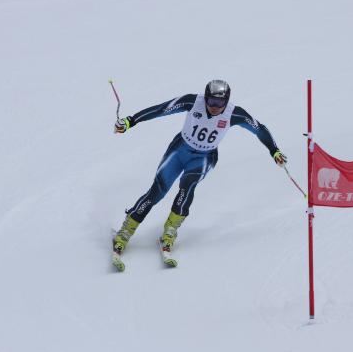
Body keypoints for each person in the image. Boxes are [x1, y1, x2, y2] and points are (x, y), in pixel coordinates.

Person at [111, 79, 287, 271]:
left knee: (187, 187)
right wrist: (131, 121)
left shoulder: (234, 113)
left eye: (220, 103)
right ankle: (125, 232)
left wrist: (274, 151)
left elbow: (259, 129)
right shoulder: (192, 101)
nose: (214, 107)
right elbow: (162, 109)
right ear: (205, 97)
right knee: (157, 191)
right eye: (211, 101)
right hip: (179, 151)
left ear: (226, 101)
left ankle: (170, 233)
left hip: (204, 157)